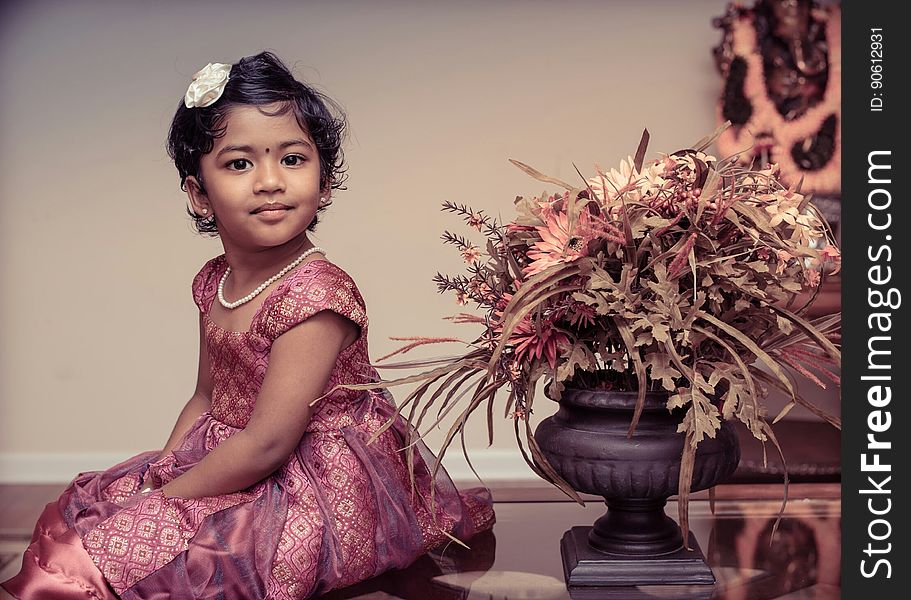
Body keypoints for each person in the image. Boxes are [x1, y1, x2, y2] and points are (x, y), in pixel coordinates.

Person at [1, 51, 494, 600]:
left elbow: (268, 443)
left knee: (161, 557)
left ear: (325, 183)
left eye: (292, 159)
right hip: (235, 450)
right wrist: (163, 474)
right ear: (199, 195)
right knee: (94, 515)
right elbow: (206, 395)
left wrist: (170, 503)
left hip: (309, 478)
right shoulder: (215, 280)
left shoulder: (316, 295)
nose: (269, 182)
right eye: (239, 164)